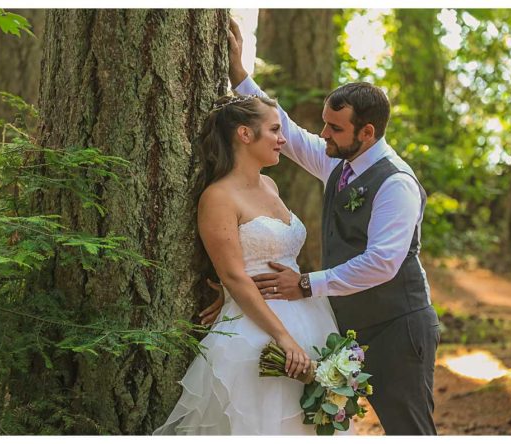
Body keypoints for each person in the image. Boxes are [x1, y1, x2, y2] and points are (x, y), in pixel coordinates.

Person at [200, 18, 440, 435]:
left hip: (396, 326)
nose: (323, 133)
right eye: (326, 123)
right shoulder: (339, 162)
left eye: (334, 128)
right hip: (340, 324)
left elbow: (382, 263)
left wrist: (306, 284)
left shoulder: (396, 184)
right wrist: (240, 75)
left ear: (367, 132)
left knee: (409, 429)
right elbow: (286, 135)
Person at [155, 94, 343, 434]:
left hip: (309, 317)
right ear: (244, 134)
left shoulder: (270, 185)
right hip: (257, 332)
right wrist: (283, 338)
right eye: (274, 130)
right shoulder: (218, 197)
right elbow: (233, 274)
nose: (282, 140)